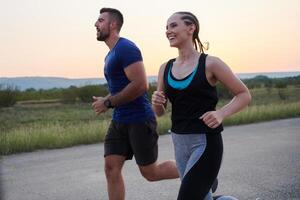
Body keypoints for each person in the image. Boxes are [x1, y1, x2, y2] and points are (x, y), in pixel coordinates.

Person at [152, 11, 251, 200]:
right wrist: (156, 102)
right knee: (201, 196)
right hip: (179, 142)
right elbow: (160, 112)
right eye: (166, 27)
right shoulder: (165, 67)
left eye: (173, 25)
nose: (168, 31)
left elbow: (244, 94)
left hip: (205, 142)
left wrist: (221, 113)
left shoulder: (210, 63)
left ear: (191, 28)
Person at [92, 8, 179, 200]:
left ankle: (198, 173)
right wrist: (106, 99)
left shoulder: (126, 48)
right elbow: (120, 87)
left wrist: (108, 102)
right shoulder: (110, 55)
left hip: (139, 119)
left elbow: (141, 85)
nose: (96, 24)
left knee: (150, 173)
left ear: (113, 24)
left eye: (100, 20)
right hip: (119, 120)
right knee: (111, 168)